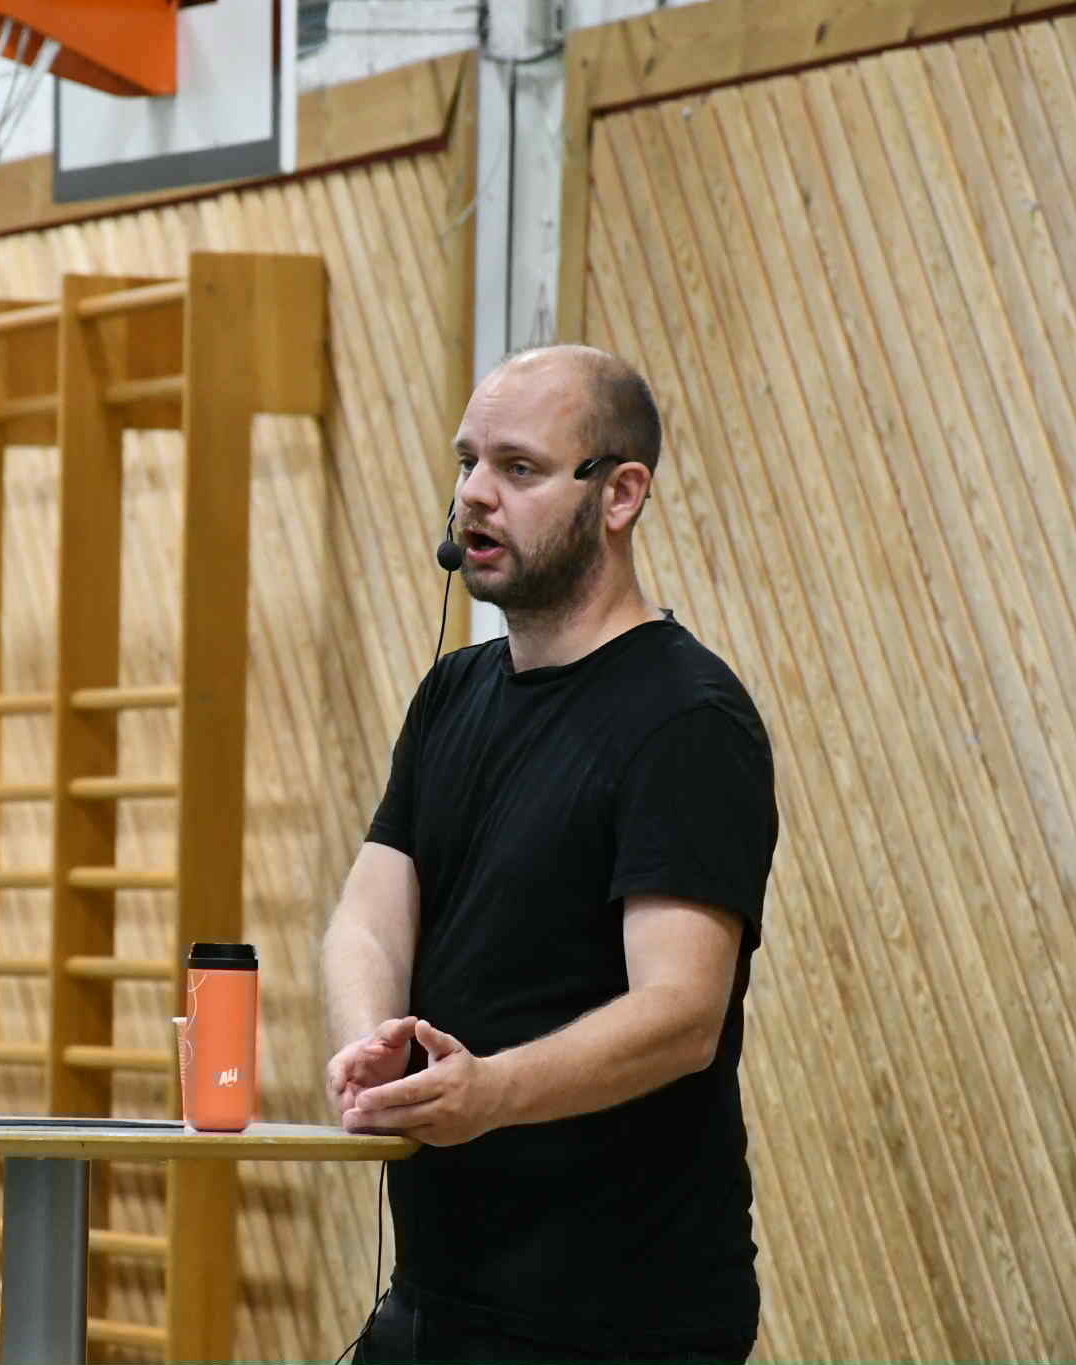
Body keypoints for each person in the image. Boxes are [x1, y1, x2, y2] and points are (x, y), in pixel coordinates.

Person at [323, 346, 778, 1363]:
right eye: (467, 462)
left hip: (617, 1319)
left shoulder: (685, 719)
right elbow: (369, 911)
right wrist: (369, 1041)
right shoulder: (451, 693)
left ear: (620, 494)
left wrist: (490, 1092)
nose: (474, 496)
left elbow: (679, 1016)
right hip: (439, 1296)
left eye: (519, 468)